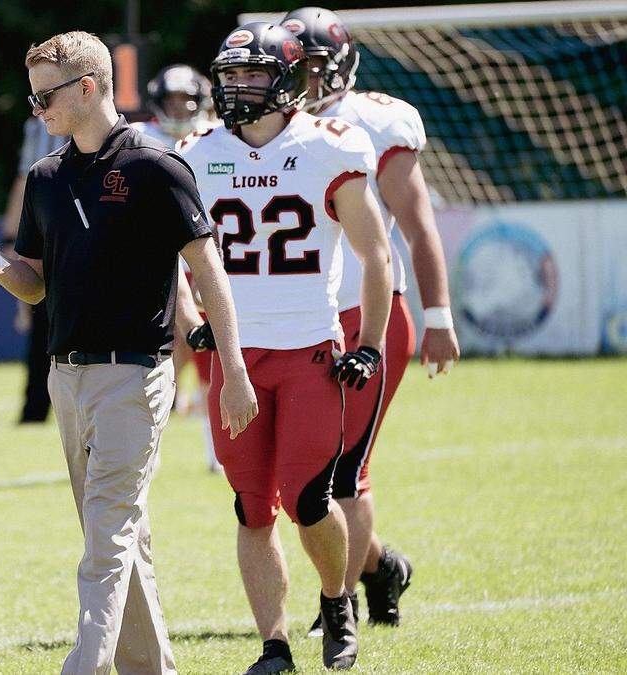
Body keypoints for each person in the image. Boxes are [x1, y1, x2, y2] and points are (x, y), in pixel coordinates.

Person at [0, 31, 258, 675]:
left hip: (135, 376)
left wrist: (233, 371)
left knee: (105, 537)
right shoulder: (46, 177)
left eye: (46, 96)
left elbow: (208, 270)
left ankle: (83, 665)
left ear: (89, 87)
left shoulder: (154, 163)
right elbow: (33, 284)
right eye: (32, 99)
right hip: (67, 378)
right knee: (119, 537)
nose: (38, 110)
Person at [177, 22, 392, 672]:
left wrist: (372, 343)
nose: (238, 88)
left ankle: (336, 598)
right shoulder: (196, 150)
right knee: (249, 506)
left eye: (254, 76)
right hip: (237, 356)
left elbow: (375, 253)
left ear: (290, 80)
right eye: (231, 76)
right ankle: (273, 644)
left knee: (306, 497)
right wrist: (192, 316)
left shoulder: (331, 146)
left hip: (308, 351)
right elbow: (172, 255)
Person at [282, 6, 460, 633]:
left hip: (369, 317)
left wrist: (437, 313)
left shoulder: (376, 121)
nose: (305, 86)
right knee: (302, 478)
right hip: (297, 322)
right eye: (295, 71)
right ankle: (380, 568)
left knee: (342, 475)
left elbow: (416, 224)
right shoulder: (264, 127)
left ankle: (338, 610)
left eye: (315, 71)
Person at [133, 64, 221, 471]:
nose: (181, 108)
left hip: (205, 251)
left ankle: (214, 448)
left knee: (208, 350)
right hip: (156, 258)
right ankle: (147, 446)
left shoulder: (217, 138)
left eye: (188, 100)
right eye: (173, 101)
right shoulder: (140, 138)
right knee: (156, 354)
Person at [0, 115, 67, 423]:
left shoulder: (43, 126)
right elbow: (25, 179)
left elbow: (24, 181)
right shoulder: (40, 125)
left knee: (45, 324)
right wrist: (12, 236)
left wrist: (11, 235)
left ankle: (36, 409)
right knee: (42, 322)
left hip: (56, 230)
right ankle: (37, 408)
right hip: (54, 230)